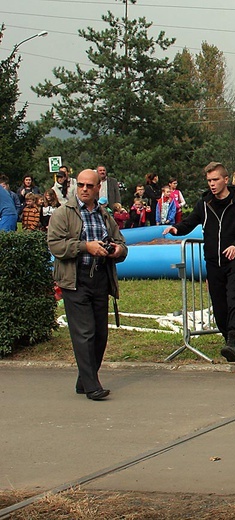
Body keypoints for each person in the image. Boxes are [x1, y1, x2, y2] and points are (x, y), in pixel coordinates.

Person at [47, 168, 128, 401]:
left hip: (100, 278)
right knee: (85, 333)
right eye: (80, 185)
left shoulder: (104, 215)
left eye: (89, 186)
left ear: (97, 188)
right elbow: (56, 245)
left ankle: (84, 379)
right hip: (75, 278)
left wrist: (117, 250)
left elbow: (121, 243)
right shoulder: (63, 213)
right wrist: (85, 246)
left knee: (101, 334)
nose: (84, 189)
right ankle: (92, 386)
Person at [163, 162, 235, 362]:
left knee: (233, 298)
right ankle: (226, 337)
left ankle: (232, 341)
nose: (212, 184)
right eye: (209, 181)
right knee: (219, 305)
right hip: (213, 262)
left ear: (225, 180)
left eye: (215, 180)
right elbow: (191, 221)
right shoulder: (205, 203)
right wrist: (176, 229)